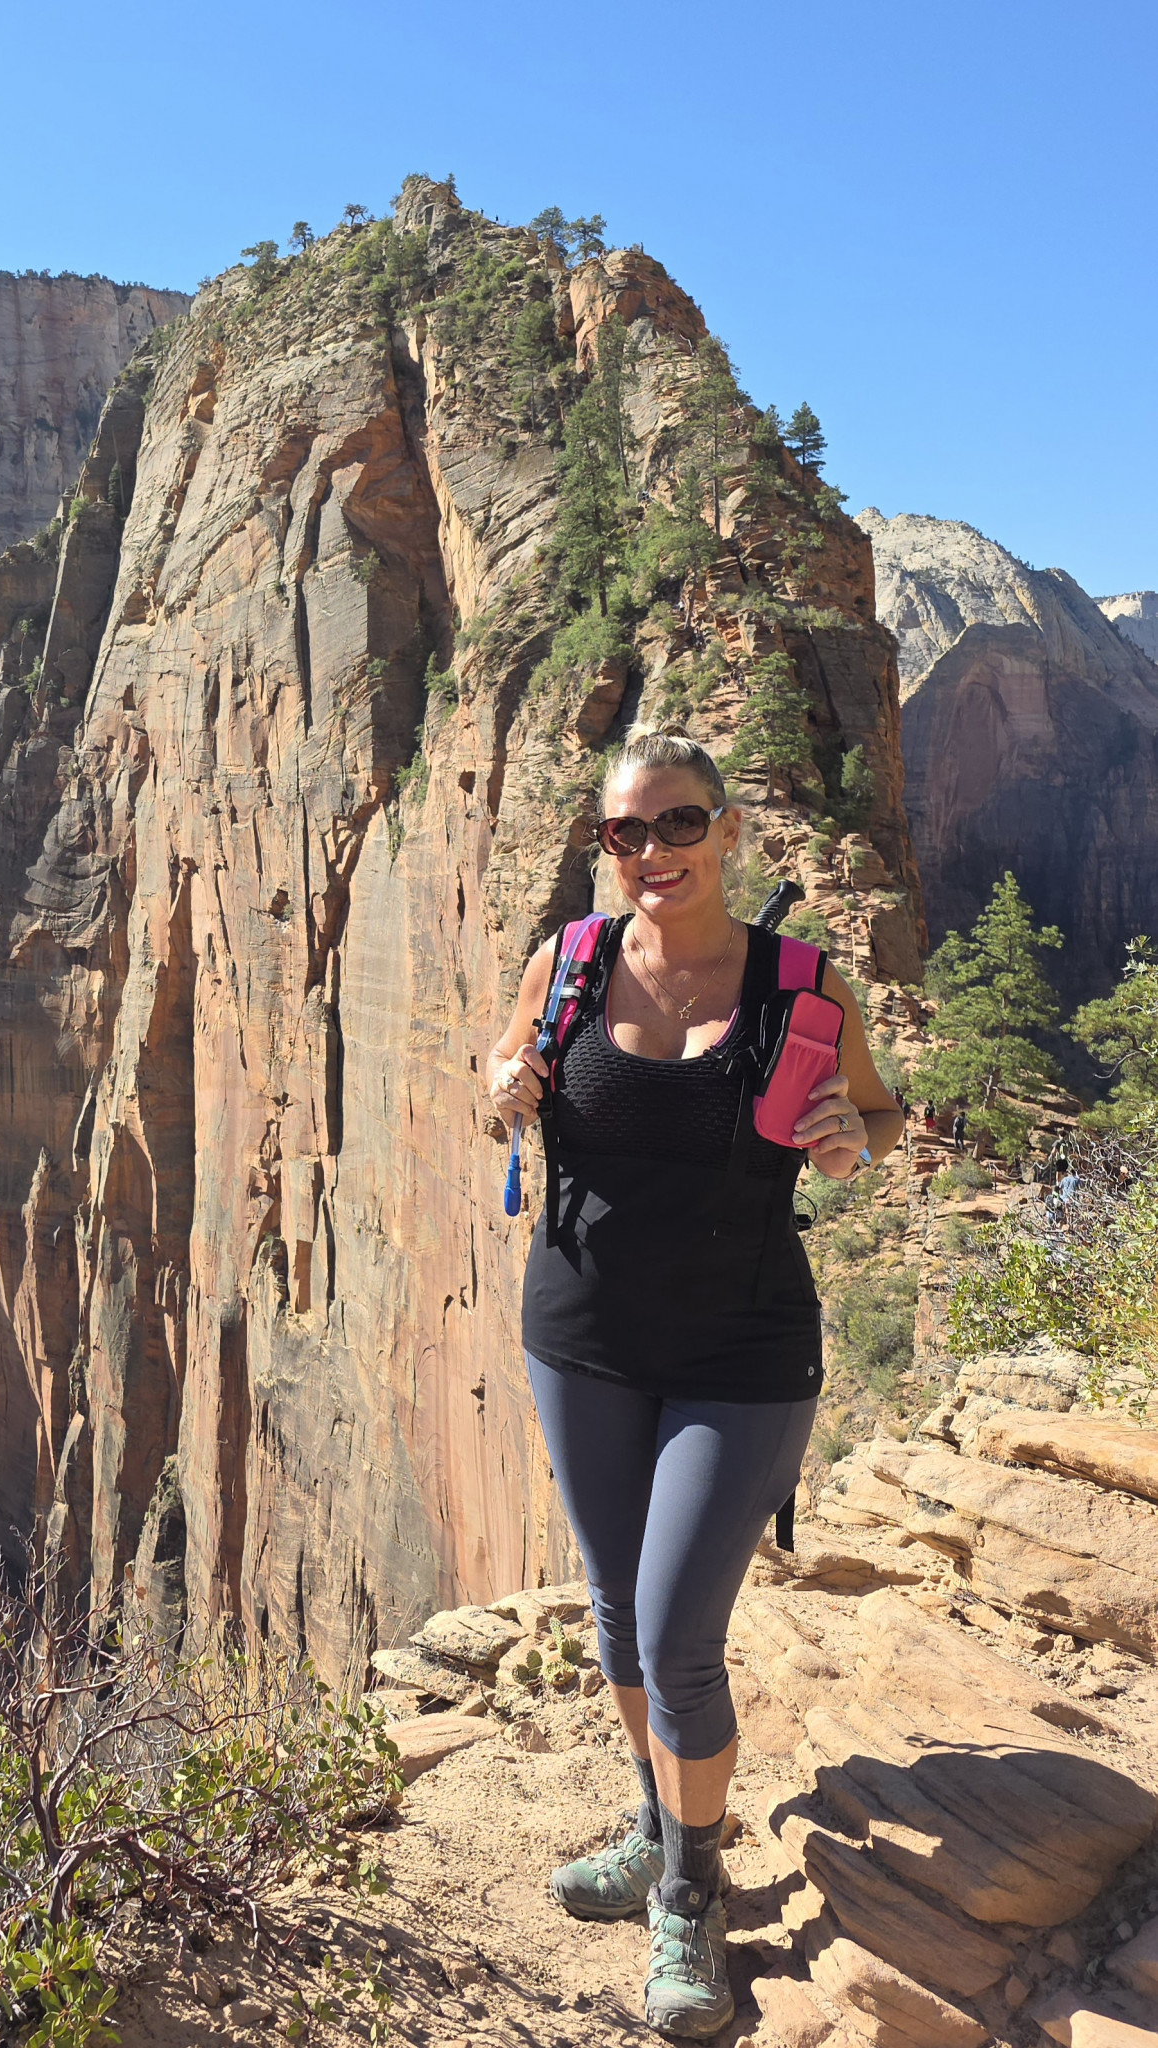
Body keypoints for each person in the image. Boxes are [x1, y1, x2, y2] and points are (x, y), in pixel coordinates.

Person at [486, 726, 902, 2040]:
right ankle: (659, 1820)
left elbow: (879, 1112)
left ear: (726, 830)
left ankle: (687, 1894)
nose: (652, 851)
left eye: (678, 824)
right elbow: (503, 1089)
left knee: (675, 1635)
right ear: (604, 847)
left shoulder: (798, 980)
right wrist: (499, 1088)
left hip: (742, 1352)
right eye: (626, 832)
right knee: (616, 1615)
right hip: (582, 1338)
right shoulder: (567, 962)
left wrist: (851, 1139)